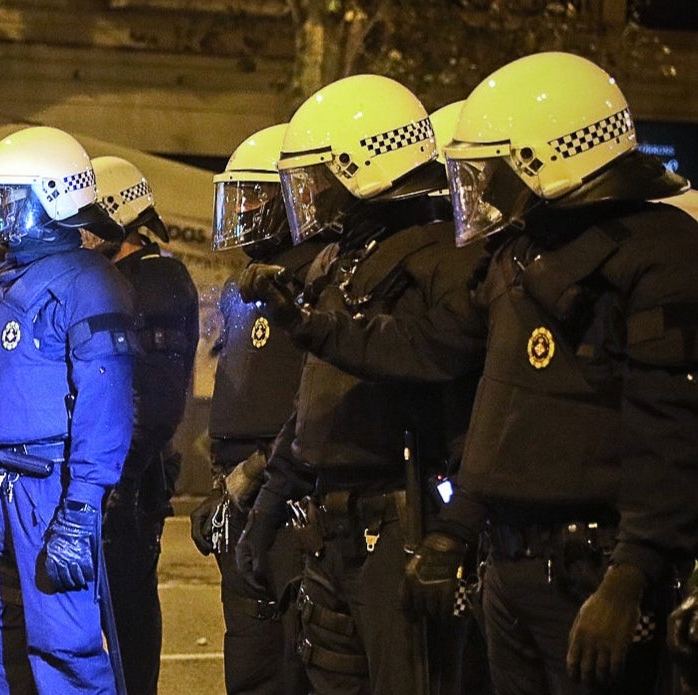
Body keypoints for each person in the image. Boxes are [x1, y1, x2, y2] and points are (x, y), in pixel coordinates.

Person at [309, 52, 698, 694]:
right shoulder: (520, 256)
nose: (482, 189)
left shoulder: (661, 256)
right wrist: (453, 535)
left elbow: (672, 438)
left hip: (595, 576)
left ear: (548, 157)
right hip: (511, 566)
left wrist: (630, 578)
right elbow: (490, 405)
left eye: (494, 168)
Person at [236, 74, 484, 694]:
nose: (311, 194)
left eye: (321, 175)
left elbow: (428, 355)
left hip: (403, 518)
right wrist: (269, 505)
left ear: (366, 165)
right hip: (331, 524)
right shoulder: (340, 258)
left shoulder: (443, 260)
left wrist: (453, 537)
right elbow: (314, 404)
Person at [0, 126, 135, 694]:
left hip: (51, 489)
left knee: (63, 647)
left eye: (9, 199)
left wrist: (82, 508)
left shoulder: (89, 283)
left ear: (56, 198)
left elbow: (105, 407)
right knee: (3, 636)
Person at [189, 123, 320, 695]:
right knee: (251, 665)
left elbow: (316, 402)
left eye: (255, 197)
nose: (241, 212)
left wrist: (261, 470)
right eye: (236, 197)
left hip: (292, 493)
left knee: (301, 659)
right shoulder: (247, 287)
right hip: (241, 495)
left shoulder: (318, 278)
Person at [87, 154, 199, 695]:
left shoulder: (155, 278)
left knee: (126, 610)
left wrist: (123, 477)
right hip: (112, 469)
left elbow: (155, 396)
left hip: (130, 475)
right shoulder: (118, 276)